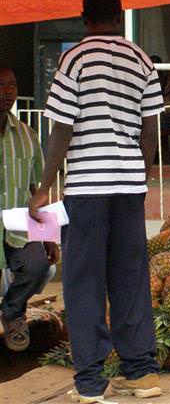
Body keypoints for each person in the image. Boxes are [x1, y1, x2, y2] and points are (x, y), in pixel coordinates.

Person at [28, 0, 164, 402]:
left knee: (85, 282)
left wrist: (44, 187)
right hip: (128, 188)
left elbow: (62, 128)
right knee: (129, 277)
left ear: (84, 17)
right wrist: (137, 174)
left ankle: (89, 382)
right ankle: (141, 372)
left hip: (87, 188)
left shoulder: (75, 58)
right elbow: (151, 130)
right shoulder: (140, 58)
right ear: (120, 16)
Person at [0, 66, 57, 352]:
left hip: (18, 225)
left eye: (12, 85)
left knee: (37, 268)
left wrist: (47, 233)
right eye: (1, 85)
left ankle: (12, 314)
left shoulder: (27, 135)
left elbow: (37, 191)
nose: (8, 92)